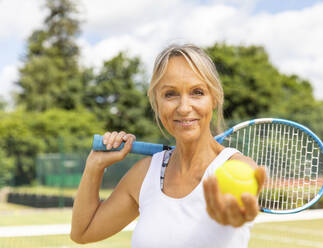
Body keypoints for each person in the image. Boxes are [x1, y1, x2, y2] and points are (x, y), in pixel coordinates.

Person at [70, 44, 266, 247]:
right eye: (170, 94)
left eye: (197, 92)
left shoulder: (237, 169)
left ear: (213, 98)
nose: (184, 107)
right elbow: (83, 232)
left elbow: (238, 210)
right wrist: (94, 166)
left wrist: (234, 215)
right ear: (157, 101)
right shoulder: (145, 173)